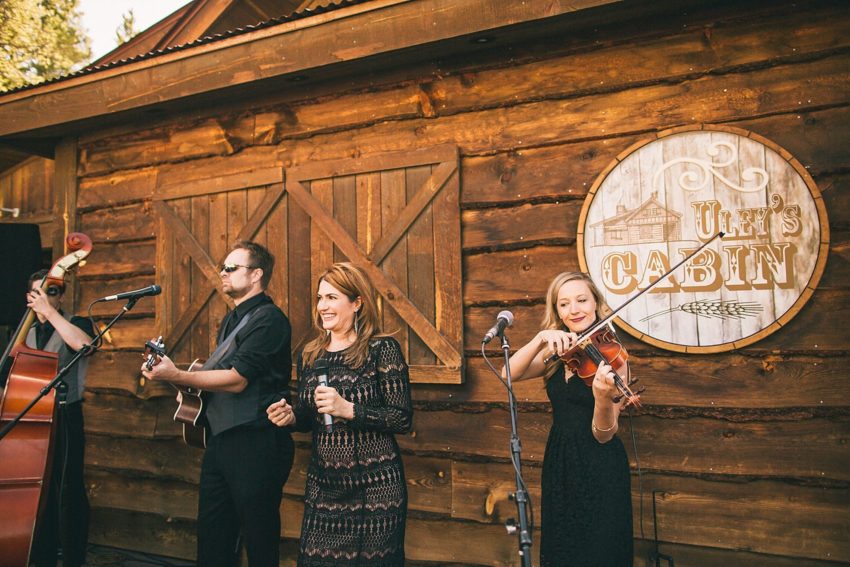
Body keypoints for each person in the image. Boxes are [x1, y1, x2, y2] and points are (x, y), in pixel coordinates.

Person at [142, 241, 294, 567]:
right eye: (222, 267)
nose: (221, 273)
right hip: (220, 440)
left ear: (256, 275)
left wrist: (178, 374)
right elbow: (209, 382)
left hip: (256, 441)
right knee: (213, 536)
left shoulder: (269, 321)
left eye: (231, 268)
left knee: (259, 537)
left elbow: (238, 379)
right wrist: (169, 375)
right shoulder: (231, 320)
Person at [267, 262, 412, 566]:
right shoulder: (310, 354)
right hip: (325, 485)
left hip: (376, 488)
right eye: (320, 298)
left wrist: (350, 410)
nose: (322, 306)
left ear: (357, 302)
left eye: (332, 297)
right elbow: (308, 417)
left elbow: (401, 417)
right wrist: (291, 417)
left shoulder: (381, 349)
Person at [504, 271, 634, 566]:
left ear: (596, 303)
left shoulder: (614, 357)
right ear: (557, 311)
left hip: (599, 465)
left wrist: (602, 397)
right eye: (564, 304)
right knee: (563, 549)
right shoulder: (559, 353)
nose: (574, 309)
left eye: (581, 300)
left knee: (598, 551)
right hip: (561, 460)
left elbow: (605, 434)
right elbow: (507, 374)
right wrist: (540, 338)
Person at [25, 269, 94, 567]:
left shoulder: (75, 322)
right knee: (36, 492)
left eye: (52, 292)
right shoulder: (21, 331)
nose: (46, 298)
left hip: (65, 416)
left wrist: (50, 314)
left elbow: (84, 346)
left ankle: (73, 558)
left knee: (68, 490)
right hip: (30, 421)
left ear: (61, 295)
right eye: (39, 293)